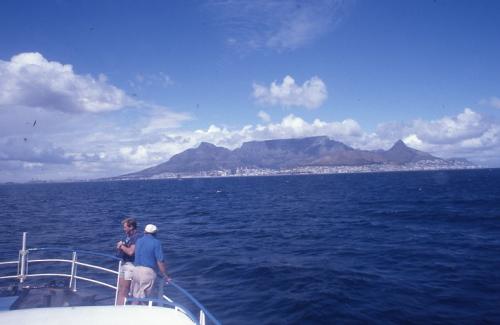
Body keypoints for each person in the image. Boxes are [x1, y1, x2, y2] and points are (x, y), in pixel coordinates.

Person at [131, 224, 169, 302]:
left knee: (135, 298)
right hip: (147, 273)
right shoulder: (156, 242)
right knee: (144, 300)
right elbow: (160, 261)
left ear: (145, 231)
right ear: (155, 233)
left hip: (135, 271)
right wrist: (165, 275)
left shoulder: (139, 241)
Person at [116, 217, 140, 305]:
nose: (124, 229)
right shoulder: (128, 237)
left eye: (125, 227)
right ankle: (118, 307)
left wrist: (121, 246)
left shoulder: (136, 237)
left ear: (131, 227)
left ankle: (121, 309)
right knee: (121, 288)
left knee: (125, 289)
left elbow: (131, 252)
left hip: (130, 266)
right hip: (125, 264)